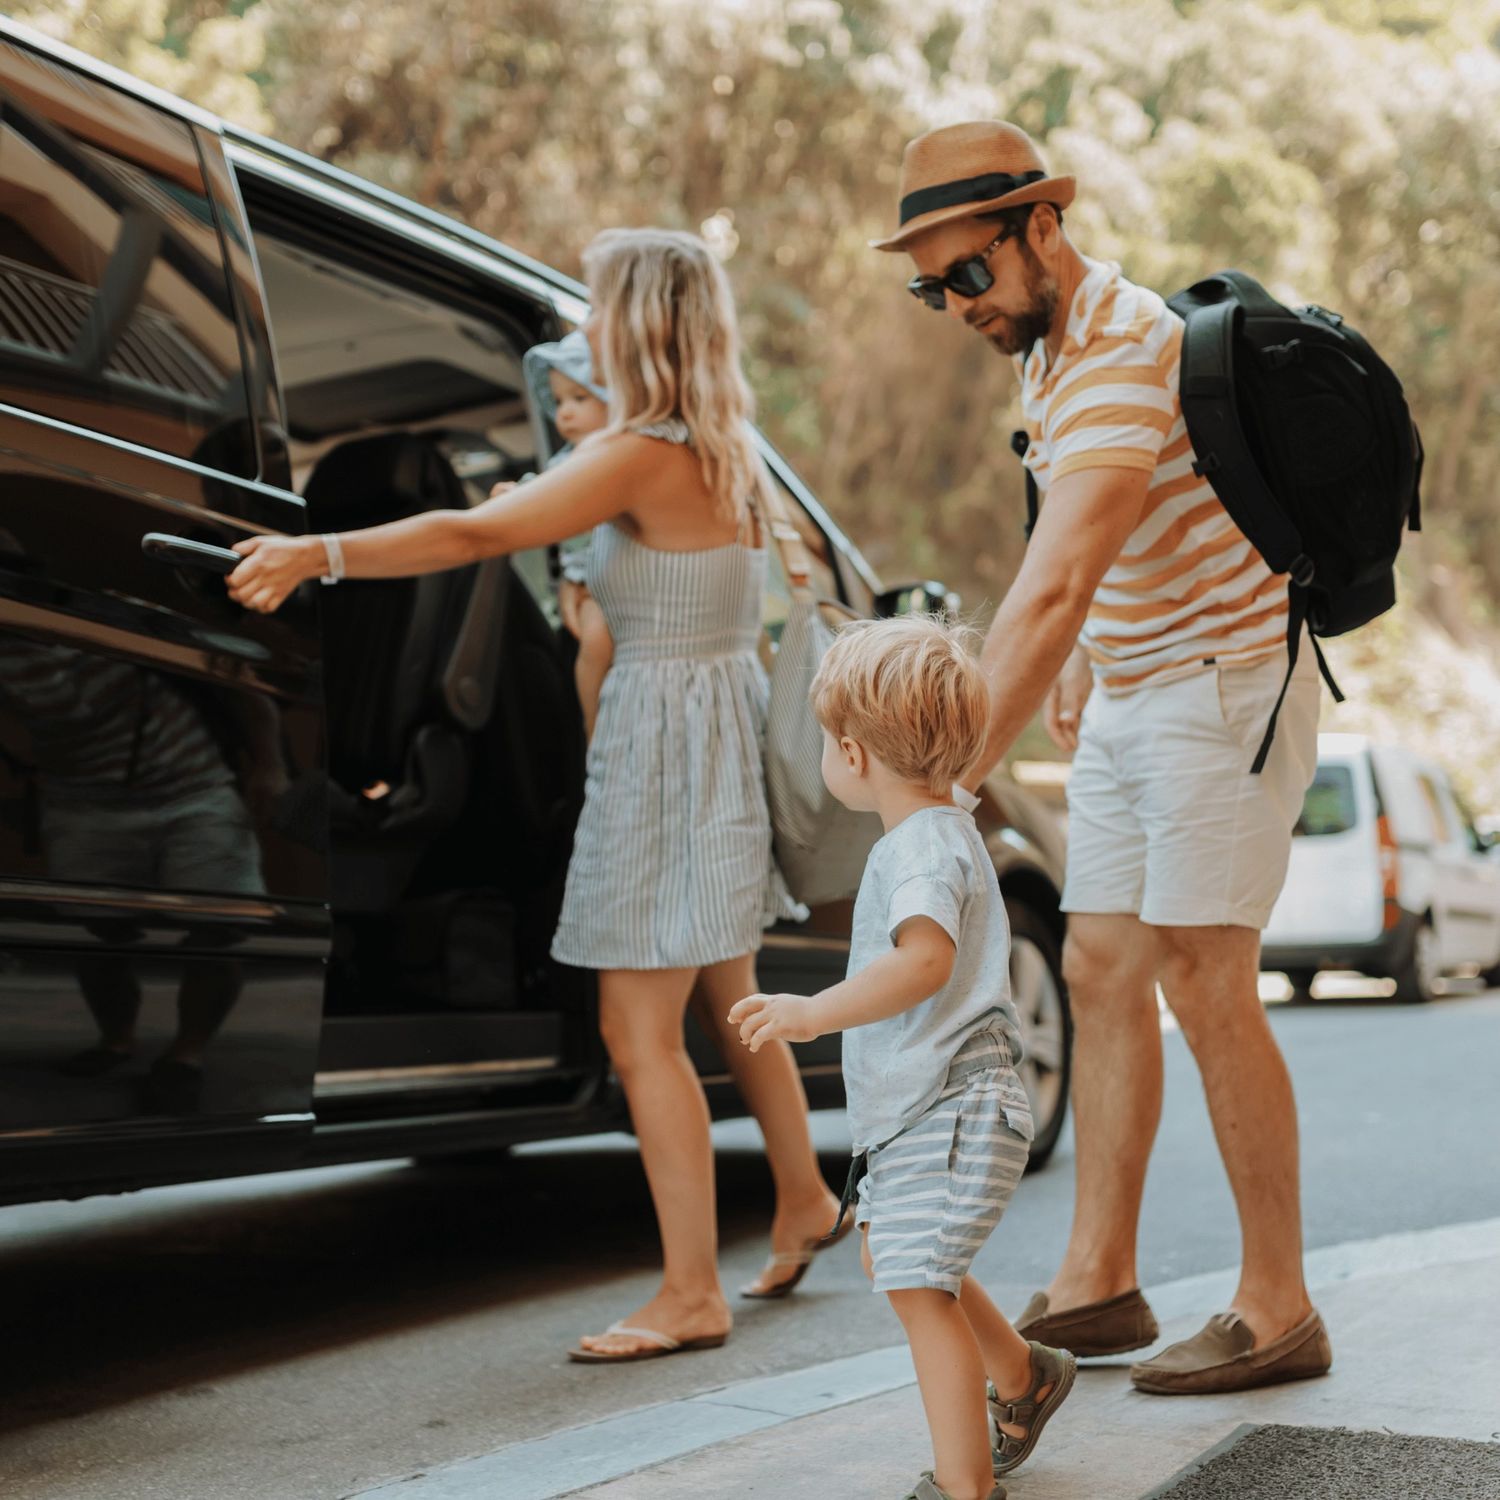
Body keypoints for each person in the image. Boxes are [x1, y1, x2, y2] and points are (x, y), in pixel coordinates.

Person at [225, 227, 845, 1361]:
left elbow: (471, 533)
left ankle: (691, 1291)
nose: (589, 327)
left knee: (635, 1026)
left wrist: (319, 555)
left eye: (602, 306)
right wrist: (573, 512)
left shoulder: (637, 452)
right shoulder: (721, 448)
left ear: (640, 324)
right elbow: (622, 595)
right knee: (732, 995)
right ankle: (803, 1197)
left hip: (663, 750)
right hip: (714, 734)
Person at [872, 120, 1330, 1395]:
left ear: (1043, 230)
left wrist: (948, 779)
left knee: (1204, 975)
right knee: (1100, 965)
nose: (954, 303)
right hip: (1139, 691)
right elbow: (1096, 542)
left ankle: (1280, 1303)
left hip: (1223, 692)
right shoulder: (1049, 351)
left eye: (970, 272)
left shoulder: (1124, 351)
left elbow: (1052, 580)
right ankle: (1098, 1282)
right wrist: (1086, 664)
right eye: (931, 285)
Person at [731, 616, 1075, 1500]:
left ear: (852, 753)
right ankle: (1024, 1377)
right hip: (926, 1106)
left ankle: (966, 1487)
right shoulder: (943, 828)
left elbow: (923, 962)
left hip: (951, 1106)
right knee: (907, 1264)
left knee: (918, 1288)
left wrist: (812, 1011)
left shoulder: (919, 845)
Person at [522, 330, 615, 737]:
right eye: (558, 402)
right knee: (595, 642)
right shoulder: (568, 463)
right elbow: (542, 495)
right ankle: (593, 727)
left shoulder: (622, 459)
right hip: (586, 580)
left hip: (619, 580)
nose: (565, 413)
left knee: (601, 642)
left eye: (580, 399)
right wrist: (515, 494)